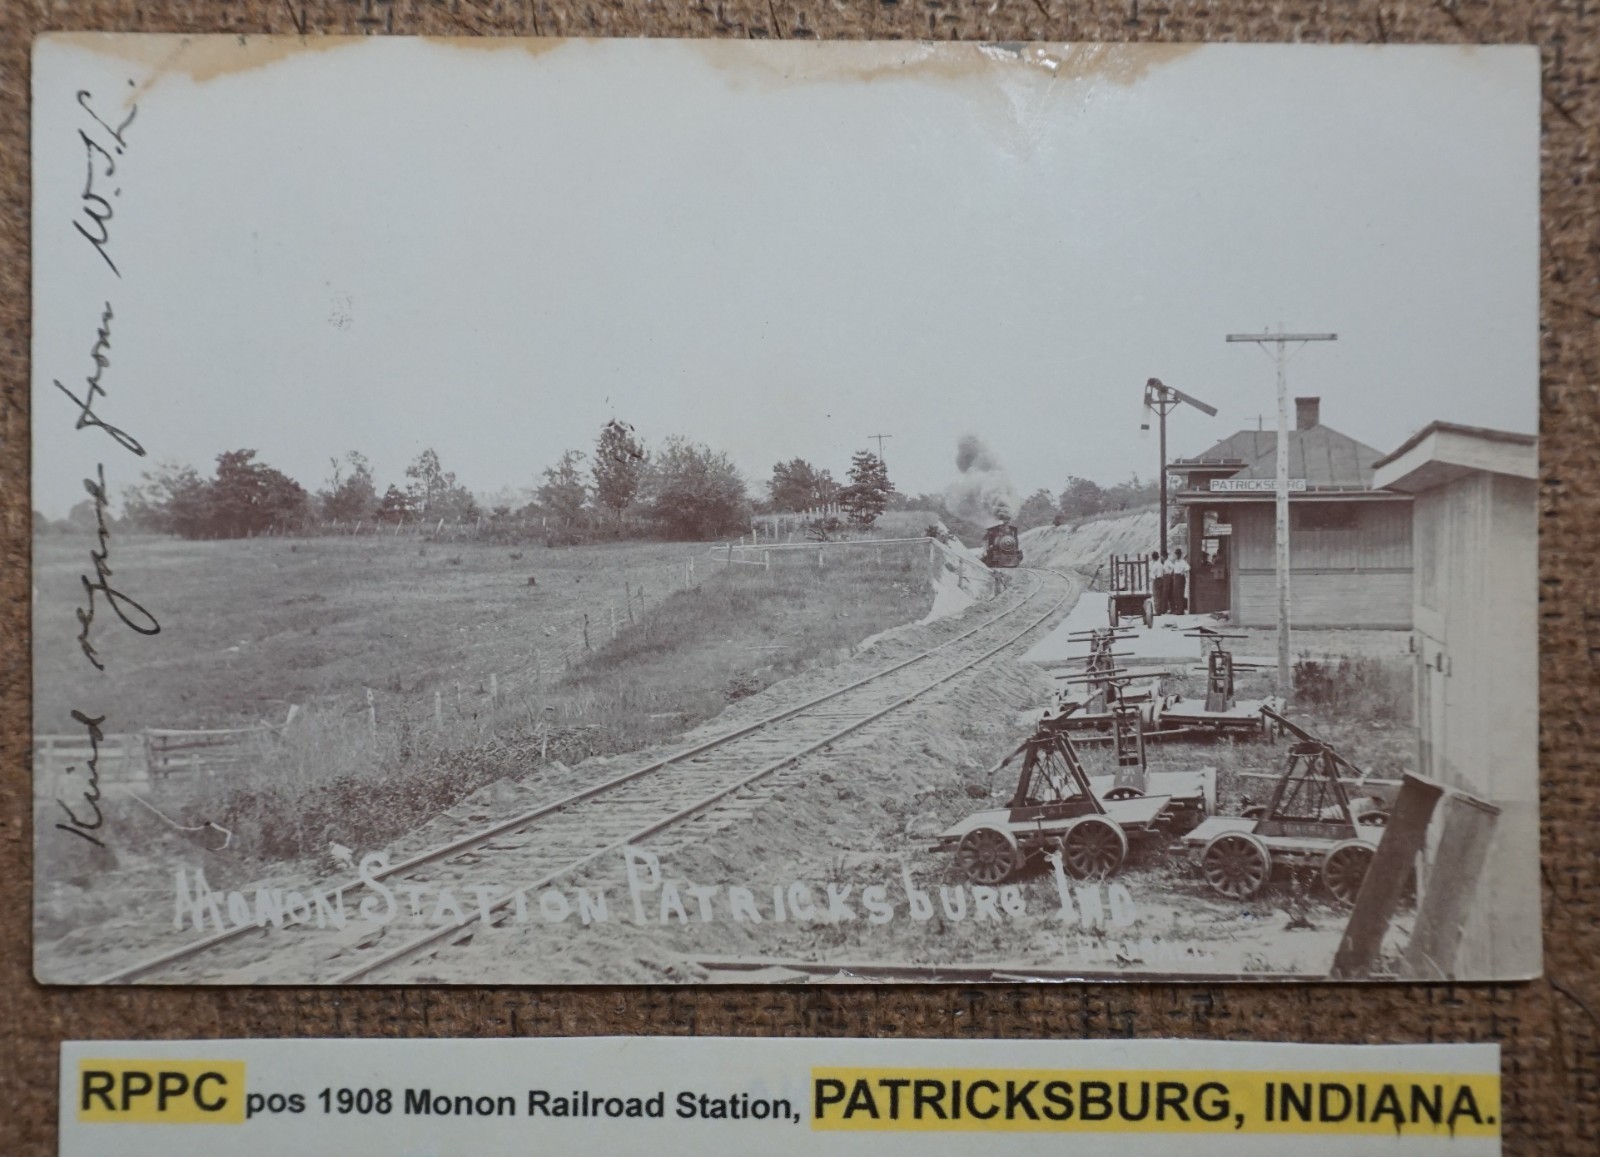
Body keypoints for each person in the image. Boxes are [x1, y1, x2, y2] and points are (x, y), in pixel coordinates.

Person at [1170, 547, 1190, 615]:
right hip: (1176, 578)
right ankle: (1178, 609)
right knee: (1175, 594)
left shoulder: (1183, 561)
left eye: (1178, 554)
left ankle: (1180, 610)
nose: (1177, 555)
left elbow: (1188, 568)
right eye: (1176, 554)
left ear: (1180, 555)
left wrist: (1182, 572)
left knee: (1179, 594)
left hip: (1180, 578)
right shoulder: (1176, 561)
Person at [1150, 549, 1168, 616]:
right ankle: (1161, 610)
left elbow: (1152, 574)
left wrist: (1153, 578)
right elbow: (1165, 571)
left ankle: (1157, 611)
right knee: (1161, 595)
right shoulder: (1160, 564)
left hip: (1156, 579)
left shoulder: (1154, 565)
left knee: (1156, 596)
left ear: (1152, 557)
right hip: (1162, 579)